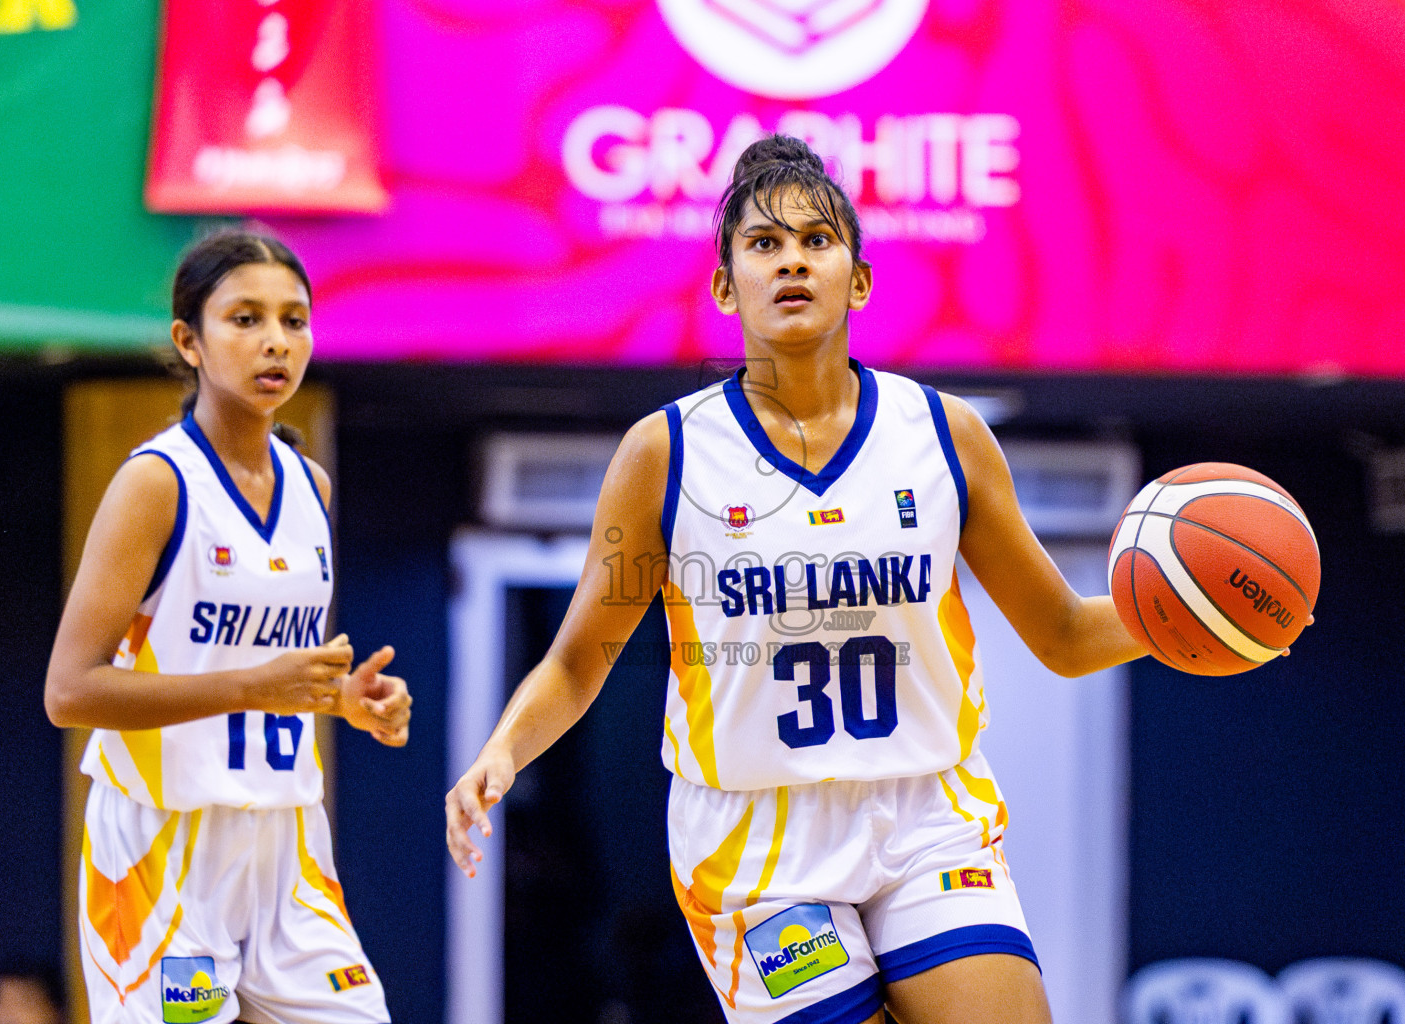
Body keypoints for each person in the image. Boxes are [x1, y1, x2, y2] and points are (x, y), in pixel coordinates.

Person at [444, 135, 1146, 1024]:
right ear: (725, 286)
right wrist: (501, 750)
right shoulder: (667, 453)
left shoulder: (944, 434)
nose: (793, 262)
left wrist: (1188, 618)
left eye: (817, 241)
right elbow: (581, 661)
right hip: (755, 843)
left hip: (926, 814)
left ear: (857, 279)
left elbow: (1067, 634)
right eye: (764, 245)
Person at [45, 231, 410, 1024]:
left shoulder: (310, 483)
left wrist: (341, 698)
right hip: (162, 841)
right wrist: (258, 687)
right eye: (245, 319)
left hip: (286, 836)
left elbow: (256, 663)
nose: (276, 340)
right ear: (190, 340)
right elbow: (70, 692)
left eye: (294, 319)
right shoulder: (156, 481)